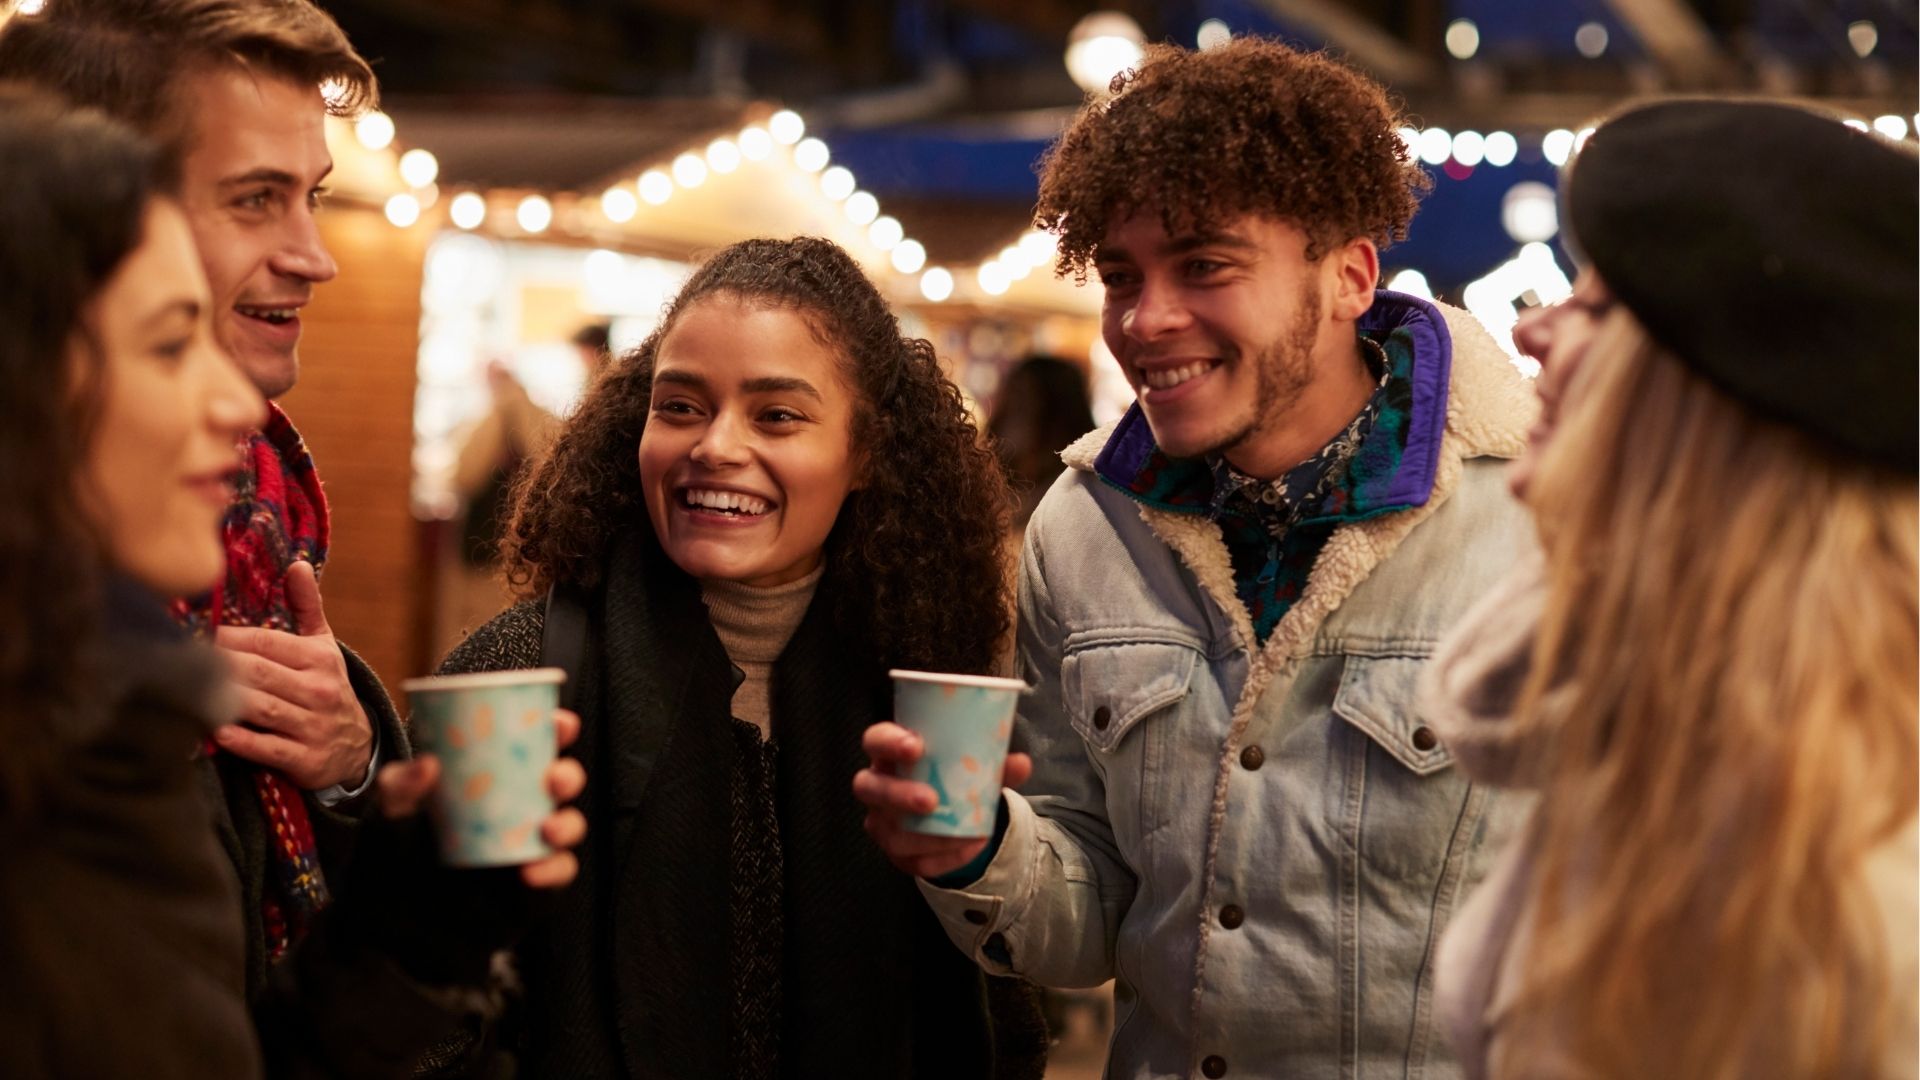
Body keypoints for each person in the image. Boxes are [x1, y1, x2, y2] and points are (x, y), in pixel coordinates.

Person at [856, 37, 1538, 1078]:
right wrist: (980, 851)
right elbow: (1094, 921)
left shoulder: (1543, 514)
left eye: (1205, 264)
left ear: (1351, 274)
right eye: (1120, 276)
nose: (1145, 319)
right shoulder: (1085, 525)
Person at [0, 85, 587, 1080]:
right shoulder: (80, 755)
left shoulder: (100, 721)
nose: (235, 403)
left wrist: (403, 940)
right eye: (168, 342)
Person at [429, 236, 1047, 1078]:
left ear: (866, 452)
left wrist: (984, 860)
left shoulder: (921, 692)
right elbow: (425, 1009)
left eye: (777, 415)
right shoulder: (517, 678)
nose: (716, 445)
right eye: (680, 406)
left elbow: (997, 1017)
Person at [1422, 99, 1918, 1080]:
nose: (1532, 331)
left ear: (1697, 404)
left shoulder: (1858, 862)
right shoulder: (1665, 698)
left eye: (1593, 303)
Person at [0, 0, 406, 994]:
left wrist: (357, 765)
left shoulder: (253, 538)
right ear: (92, 200)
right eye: (256, 198)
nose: (318, 254)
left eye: (312, 194)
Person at [986, 355, 1096, 531]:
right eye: (1010, 401)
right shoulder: (991, 485)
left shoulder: (1081, 494)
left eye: (1023, 404)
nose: (1010, 418)